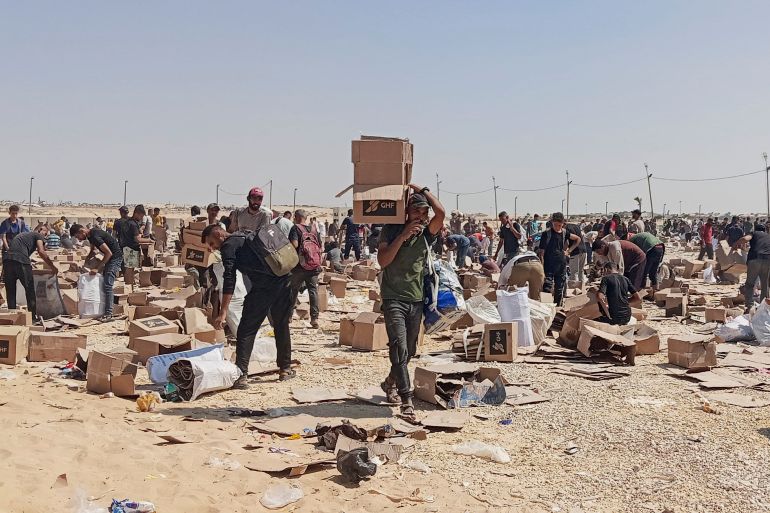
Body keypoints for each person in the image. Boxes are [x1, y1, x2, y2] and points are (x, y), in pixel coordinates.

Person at [378, 185, 444, 419]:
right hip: (393, 297)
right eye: (416, 211)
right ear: (406, 211)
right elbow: (383, 261)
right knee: (399, 347)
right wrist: (403, 235)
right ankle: (406, 399)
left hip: (416, 299)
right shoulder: (391, 230)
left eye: (424, 212)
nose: (421, 216)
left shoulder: (426, 234)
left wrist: (422, 189)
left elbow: (441, 213)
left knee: (410, 351)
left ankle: (390, 382)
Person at [202, 223, 295, 387]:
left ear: (218, 234)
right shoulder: (243, 234)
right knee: (281, 324)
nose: (213, 248)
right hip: (284, 280)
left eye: (212, 243)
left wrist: (223, 311)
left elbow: (229, 279)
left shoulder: (228, 247)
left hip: (264, 288)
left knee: (246, 329)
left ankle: (241, 375)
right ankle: (285, 369)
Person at [70, 222, 123, 322]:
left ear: (81, 231)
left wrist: (97, 268)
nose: (79, 239)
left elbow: (108, 253)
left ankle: (108, 314)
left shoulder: (95, 236)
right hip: (110, 257)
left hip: (115, 258)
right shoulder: (90, 236)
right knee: (104, 283)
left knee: (108, 284)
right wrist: (87, 259)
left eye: (78, 236)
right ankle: (108, 307)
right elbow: (93, 250)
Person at [3, 226, 58, 320]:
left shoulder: (24, 235)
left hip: (7, 260)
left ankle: (12, 317)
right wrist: (52, 267)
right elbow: (41, 251)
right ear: (41, 230)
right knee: (29, 289)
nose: (45, 237)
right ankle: (32, 317)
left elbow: (18, 249)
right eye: (45, 234)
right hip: (20, 260)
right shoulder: (38, 235)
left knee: (10, 290)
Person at [537, 212, 581, 306]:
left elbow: (578, 239)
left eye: (559, 225)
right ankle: (547, 307)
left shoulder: (565, 233)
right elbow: (542, 252)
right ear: (552, 223)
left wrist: (569, 251)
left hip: (561, 265)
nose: (557, 227)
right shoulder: (546, 234)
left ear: (563, 224)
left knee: (559, 288)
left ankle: (558, 308)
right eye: (555, 225)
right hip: (548, 265)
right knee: (547, 287)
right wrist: (542, 266)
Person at [288, 209, 322, 329]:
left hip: (299, 266)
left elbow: (295, 244)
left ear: (296, 217)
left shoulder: (295, 228)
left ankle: (289, 316)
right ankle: (314, 318)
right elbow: (320, 246)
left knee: (293, 290)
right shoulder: (314, 229)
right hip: (313, 265)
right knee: (313, 291)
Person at [734, 225, 770, 310]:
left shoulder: (754, 233)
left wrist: (735, 244)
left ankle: (749, 306)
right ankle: (764, 307)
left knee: (750, 284)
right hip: (767, 260)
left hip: (755, 259)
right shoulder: (768, 236)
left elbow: (745, 239)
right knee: (765, 285)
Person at [597, 261, 642, 326]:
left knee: (594, 315)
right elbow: (638, 298)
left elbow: (600, 297)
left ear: (606, 269)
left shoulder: (606, 279)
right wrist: (624, 302)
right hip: (627, 318)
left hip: (613, 318)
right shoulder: (626, 279)